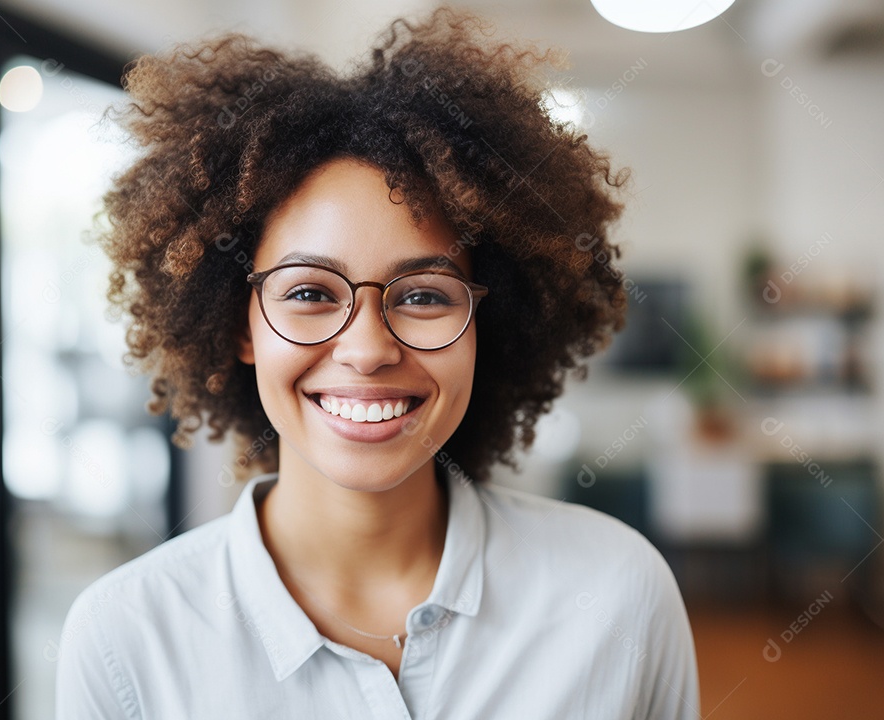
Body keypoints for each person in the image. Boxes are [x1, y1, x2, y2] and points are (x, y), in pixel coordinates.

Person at [56, 8, 699, 718]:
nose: (366, 351)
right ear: (240, 325)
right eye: (309, 293)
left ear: (485, 326)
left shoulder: (619, 596)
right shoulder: (124, 643)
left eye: (423, 295)